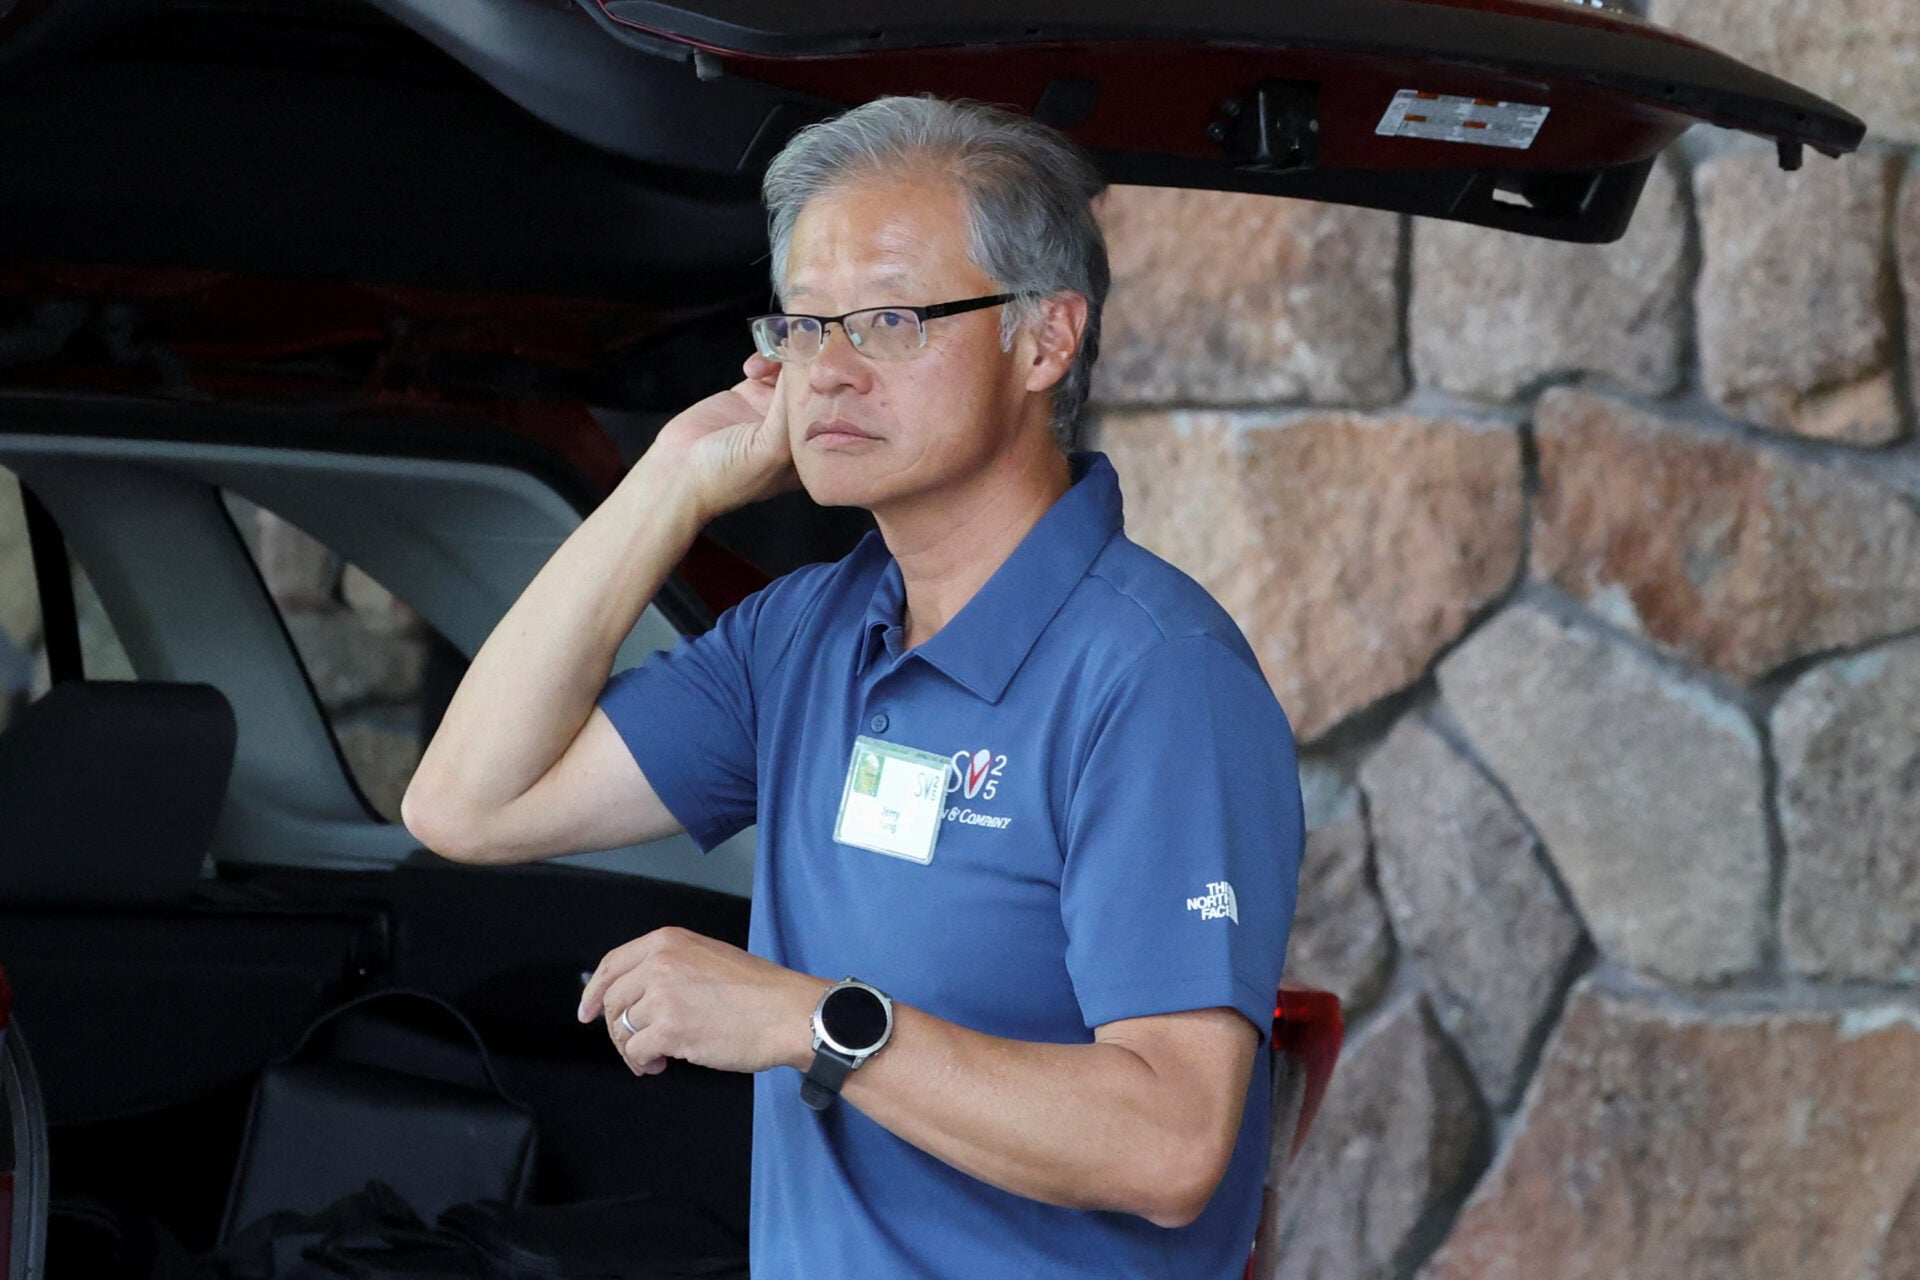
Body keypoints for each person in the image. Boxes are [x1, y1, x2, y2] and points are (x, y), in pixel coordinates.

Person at [403, 95, 1303, 1279]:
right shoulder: (805, 634)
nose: (827, 371)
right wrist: (672, 481)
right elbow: (468, 806)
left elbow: (1172, 1141)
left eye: (889, 318)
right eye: (803, 324)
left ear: (1045, 340)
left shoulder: (1154, 676)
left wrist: (806, 1019)